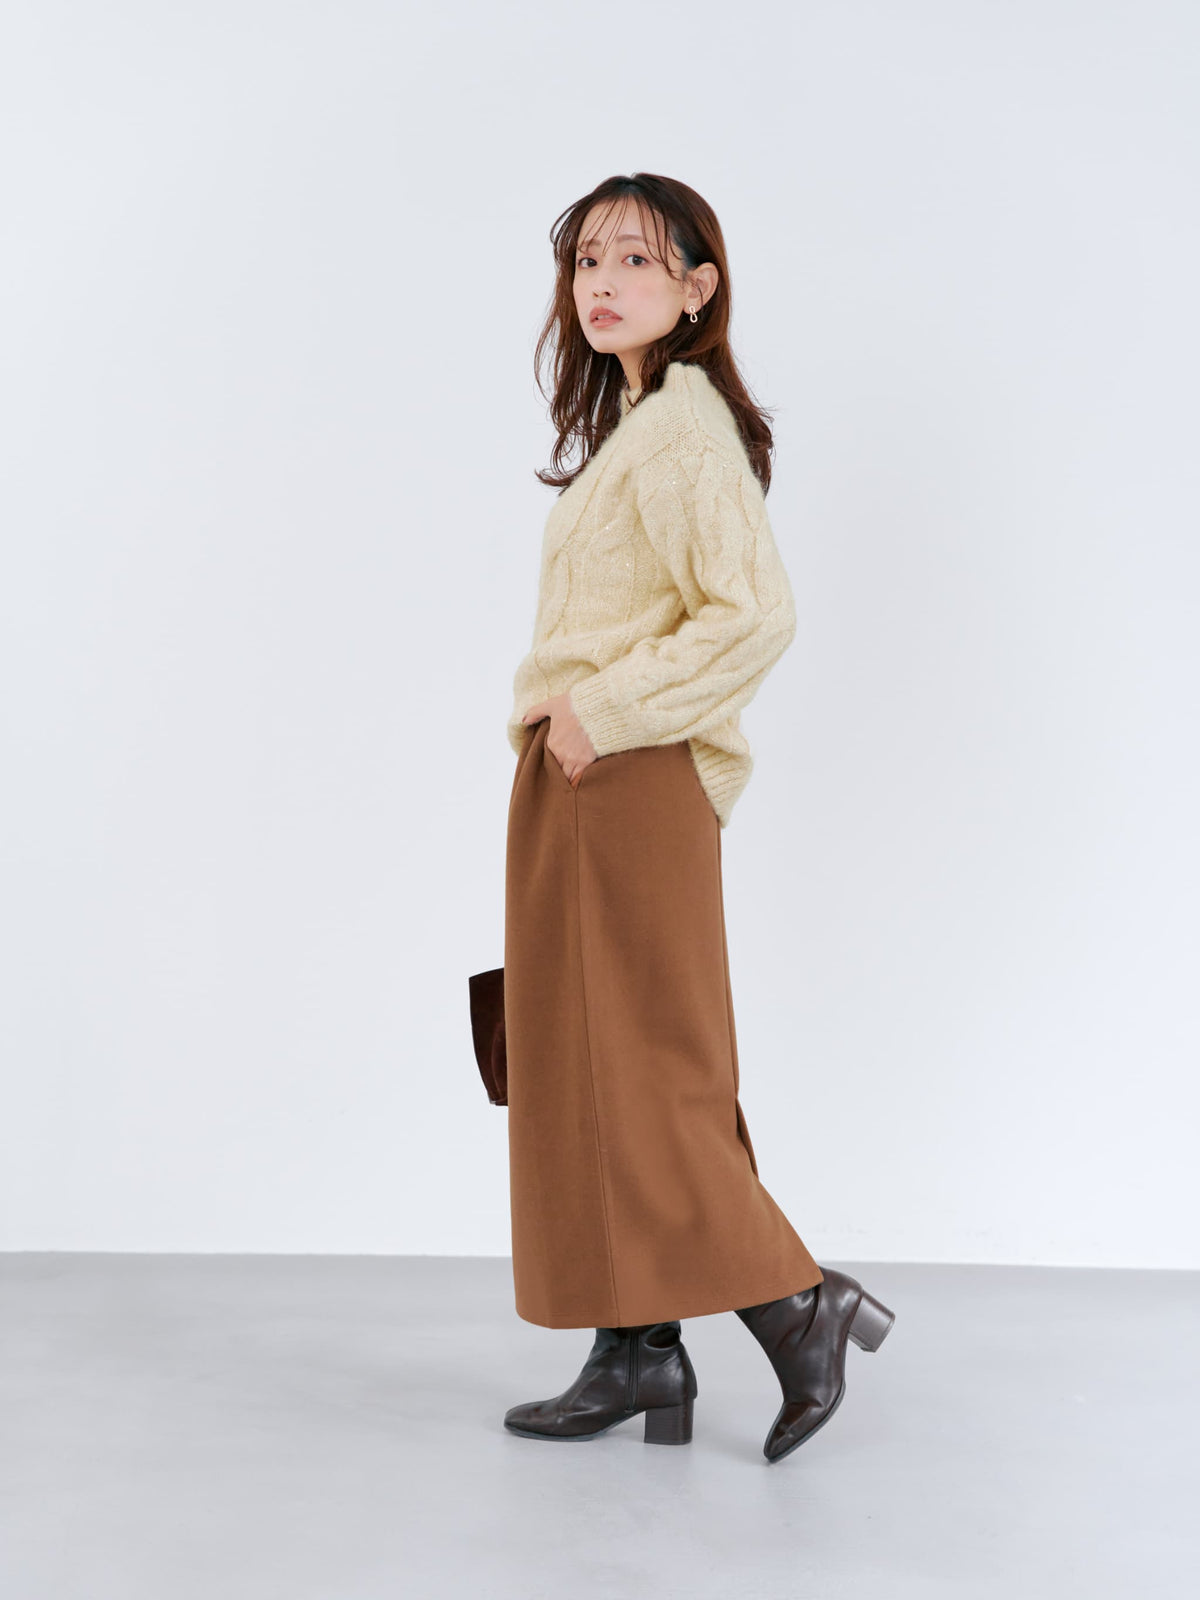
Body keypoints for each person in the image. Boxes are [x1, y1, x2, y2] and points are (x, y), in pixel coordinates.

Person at [502, 173, 895, 1464]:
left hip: (626, 774)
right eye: (586, 260)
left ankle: (796, 1304)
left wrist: (598, 711)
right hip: (592, 773)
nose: (601, 283)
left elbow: (755, 615)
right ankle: (638, 1351)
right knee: (583, 1064)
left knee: (646, 1071)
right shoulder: (639, 425)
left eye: (635, 259)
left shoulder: (681, 429)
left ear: (697, 286)